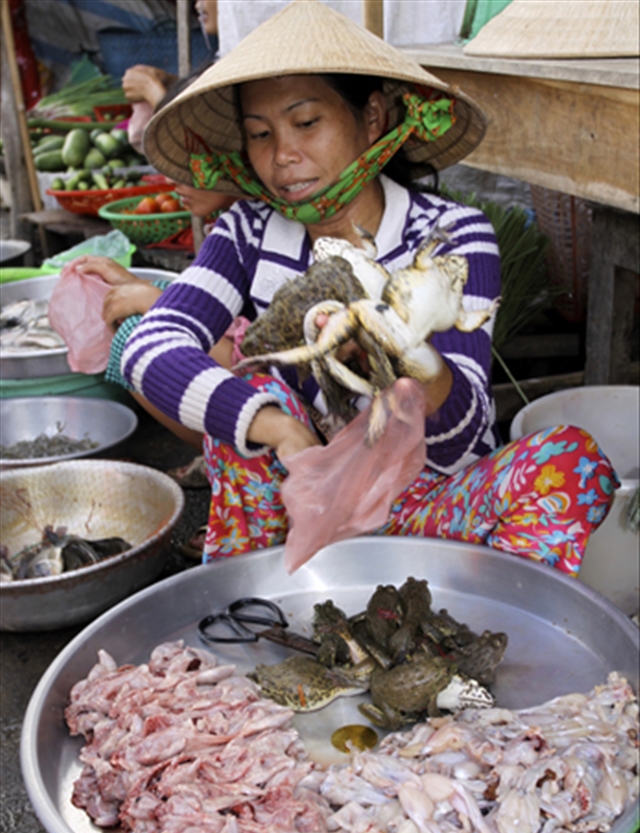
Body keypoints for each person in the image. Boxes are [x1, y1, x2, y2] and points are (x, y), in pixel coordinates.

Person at [90, 0, 618, 572]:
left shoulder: (451, 236)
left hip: (432, 510)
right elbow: (149, 346)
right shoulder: (246, 231)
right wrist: (282, 428)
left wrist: (408, 360)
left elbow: (462, 445)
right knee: (241, 413)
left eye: (307, 122)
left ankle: (482, 619)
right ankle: (258, 607)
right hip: (302, 505)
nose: (283, 156)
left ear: (371, 118)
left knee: (572, 460)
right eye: (260, 134)